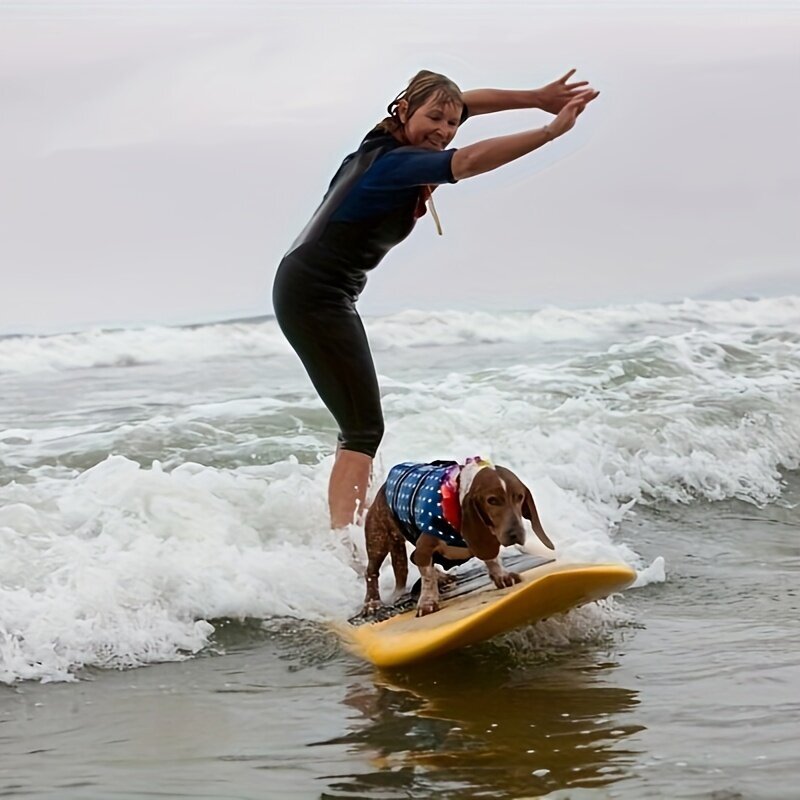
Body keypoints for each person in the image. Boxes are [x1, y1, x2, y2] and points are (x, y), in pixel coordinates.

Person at [272, 69, 598, 530]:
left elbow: (467, 102)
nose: (444, 131)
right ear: (403, 110)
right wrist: (547, 131)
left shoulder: (382, 141)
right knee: (364, 430)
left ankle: (349, 528)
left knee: (358, 425)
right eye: (434, 119)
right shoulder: (391, 164)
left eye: (452, 123)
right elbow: (464, 163)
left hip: (313, 288)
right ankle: (345, 547)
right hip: (314, 295)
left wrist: (535, 96)